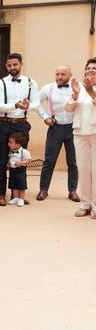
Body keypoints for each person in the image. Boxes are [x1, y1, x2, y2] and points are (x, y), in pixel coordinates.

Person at [0, 53, 40, 206]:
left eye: (15, 65)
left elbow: (36, 104)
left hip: (21, 124)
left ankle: (17, 194)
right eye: (9, 65)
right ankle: (1, 194)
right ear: (6, 66)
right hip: (4, 124)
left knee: (19, 160)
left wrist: (27, 106)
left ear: (21, 64)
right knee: (1, 161)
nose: (12, 68)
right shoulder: (0, 84)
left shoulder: (31, 83)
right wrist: (15, 105)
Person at [35, 65, 80, 202]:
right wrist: (45, 117)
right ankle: (43, 190)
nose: (59, 77)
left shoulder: (77, 87)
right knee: (49, 161)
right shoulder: (48, 88)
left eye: (63, 74)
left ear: (70, 75)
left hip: (73, 128)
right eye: (57, 74)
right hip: (55, 128)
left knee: (73, 162)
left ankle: (72, 191)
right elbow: (35, 102)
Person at [64, 58, 96, 218]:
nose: (90, 70)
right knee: (83, 170)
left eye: (94, 68)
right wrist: (75, 95)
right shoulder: (79, 88)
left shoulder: (89, 90)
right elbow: (68, 109)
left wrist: (92, 92)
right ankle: (85, 204)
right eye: (88, 68)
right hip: (79, 132)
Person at [6, 132, 32, 206]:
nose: (8, 144)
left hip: (20, 171)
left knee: (21, 185)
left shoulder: (25, 152)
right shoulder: (11, 151)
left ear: (18, 145)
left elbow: (29, 160)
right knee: (14, 185)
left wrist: (20, 163)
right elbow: (10, 158)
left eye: (11, 143)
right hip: (12, 170)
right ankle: (16, 198)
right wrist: (8, 164)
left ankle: (21, 199)